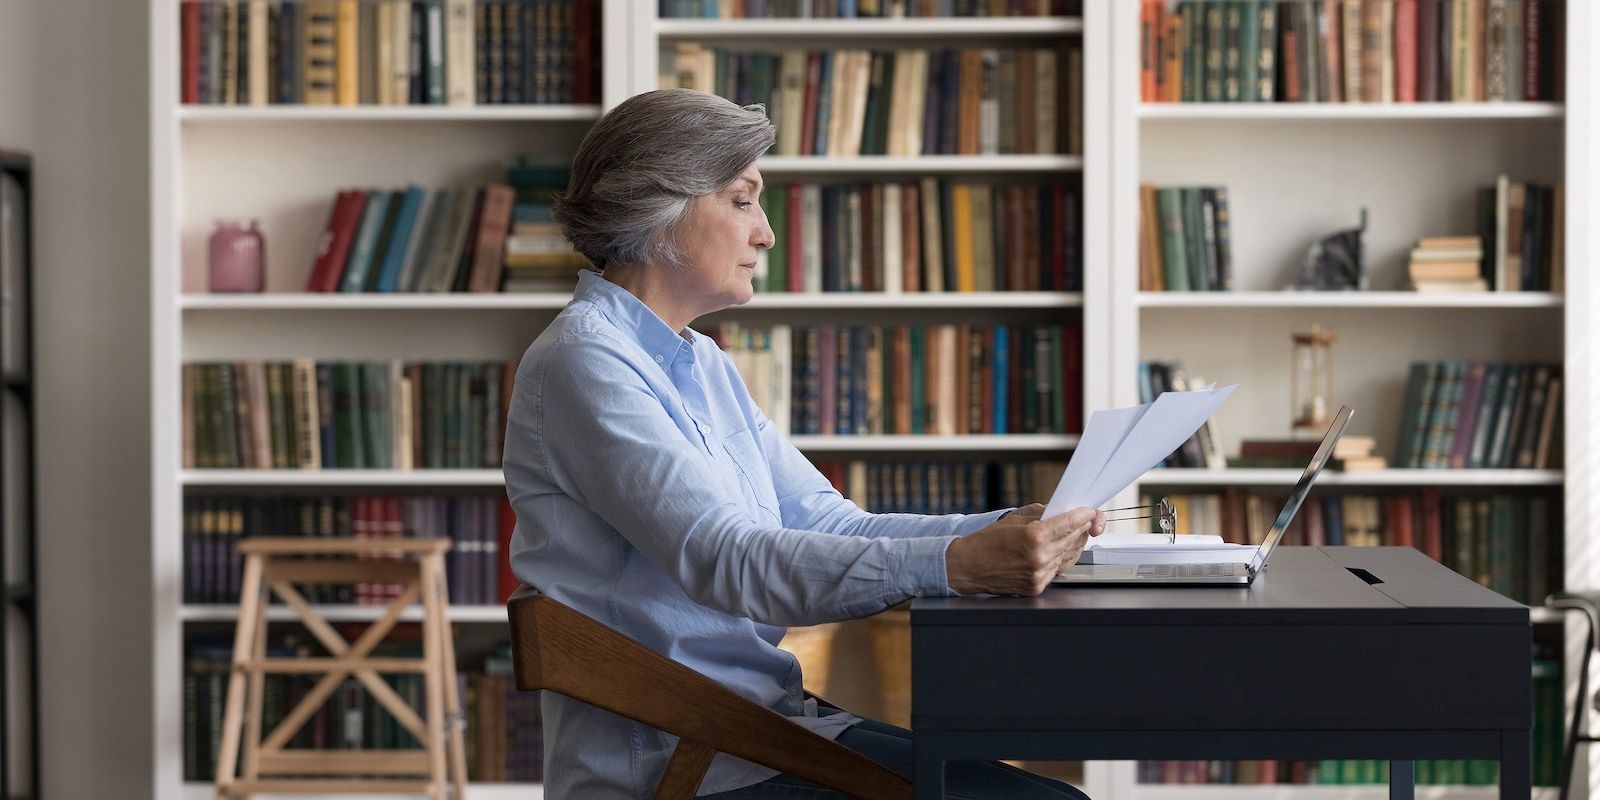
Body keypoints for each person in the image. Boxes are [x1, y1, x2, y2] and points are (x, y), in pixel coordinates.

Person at [502, 88, 1104, 800]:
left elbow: (827, 523)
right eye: (741, 199)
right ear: (655, 206)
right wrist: (958, 564)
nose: (766, 233)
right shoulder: (585, 363)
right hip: (681, 759)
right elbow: (725, 559)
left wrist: (1000, 531)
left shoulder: (701, 363)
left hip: (759, 729)